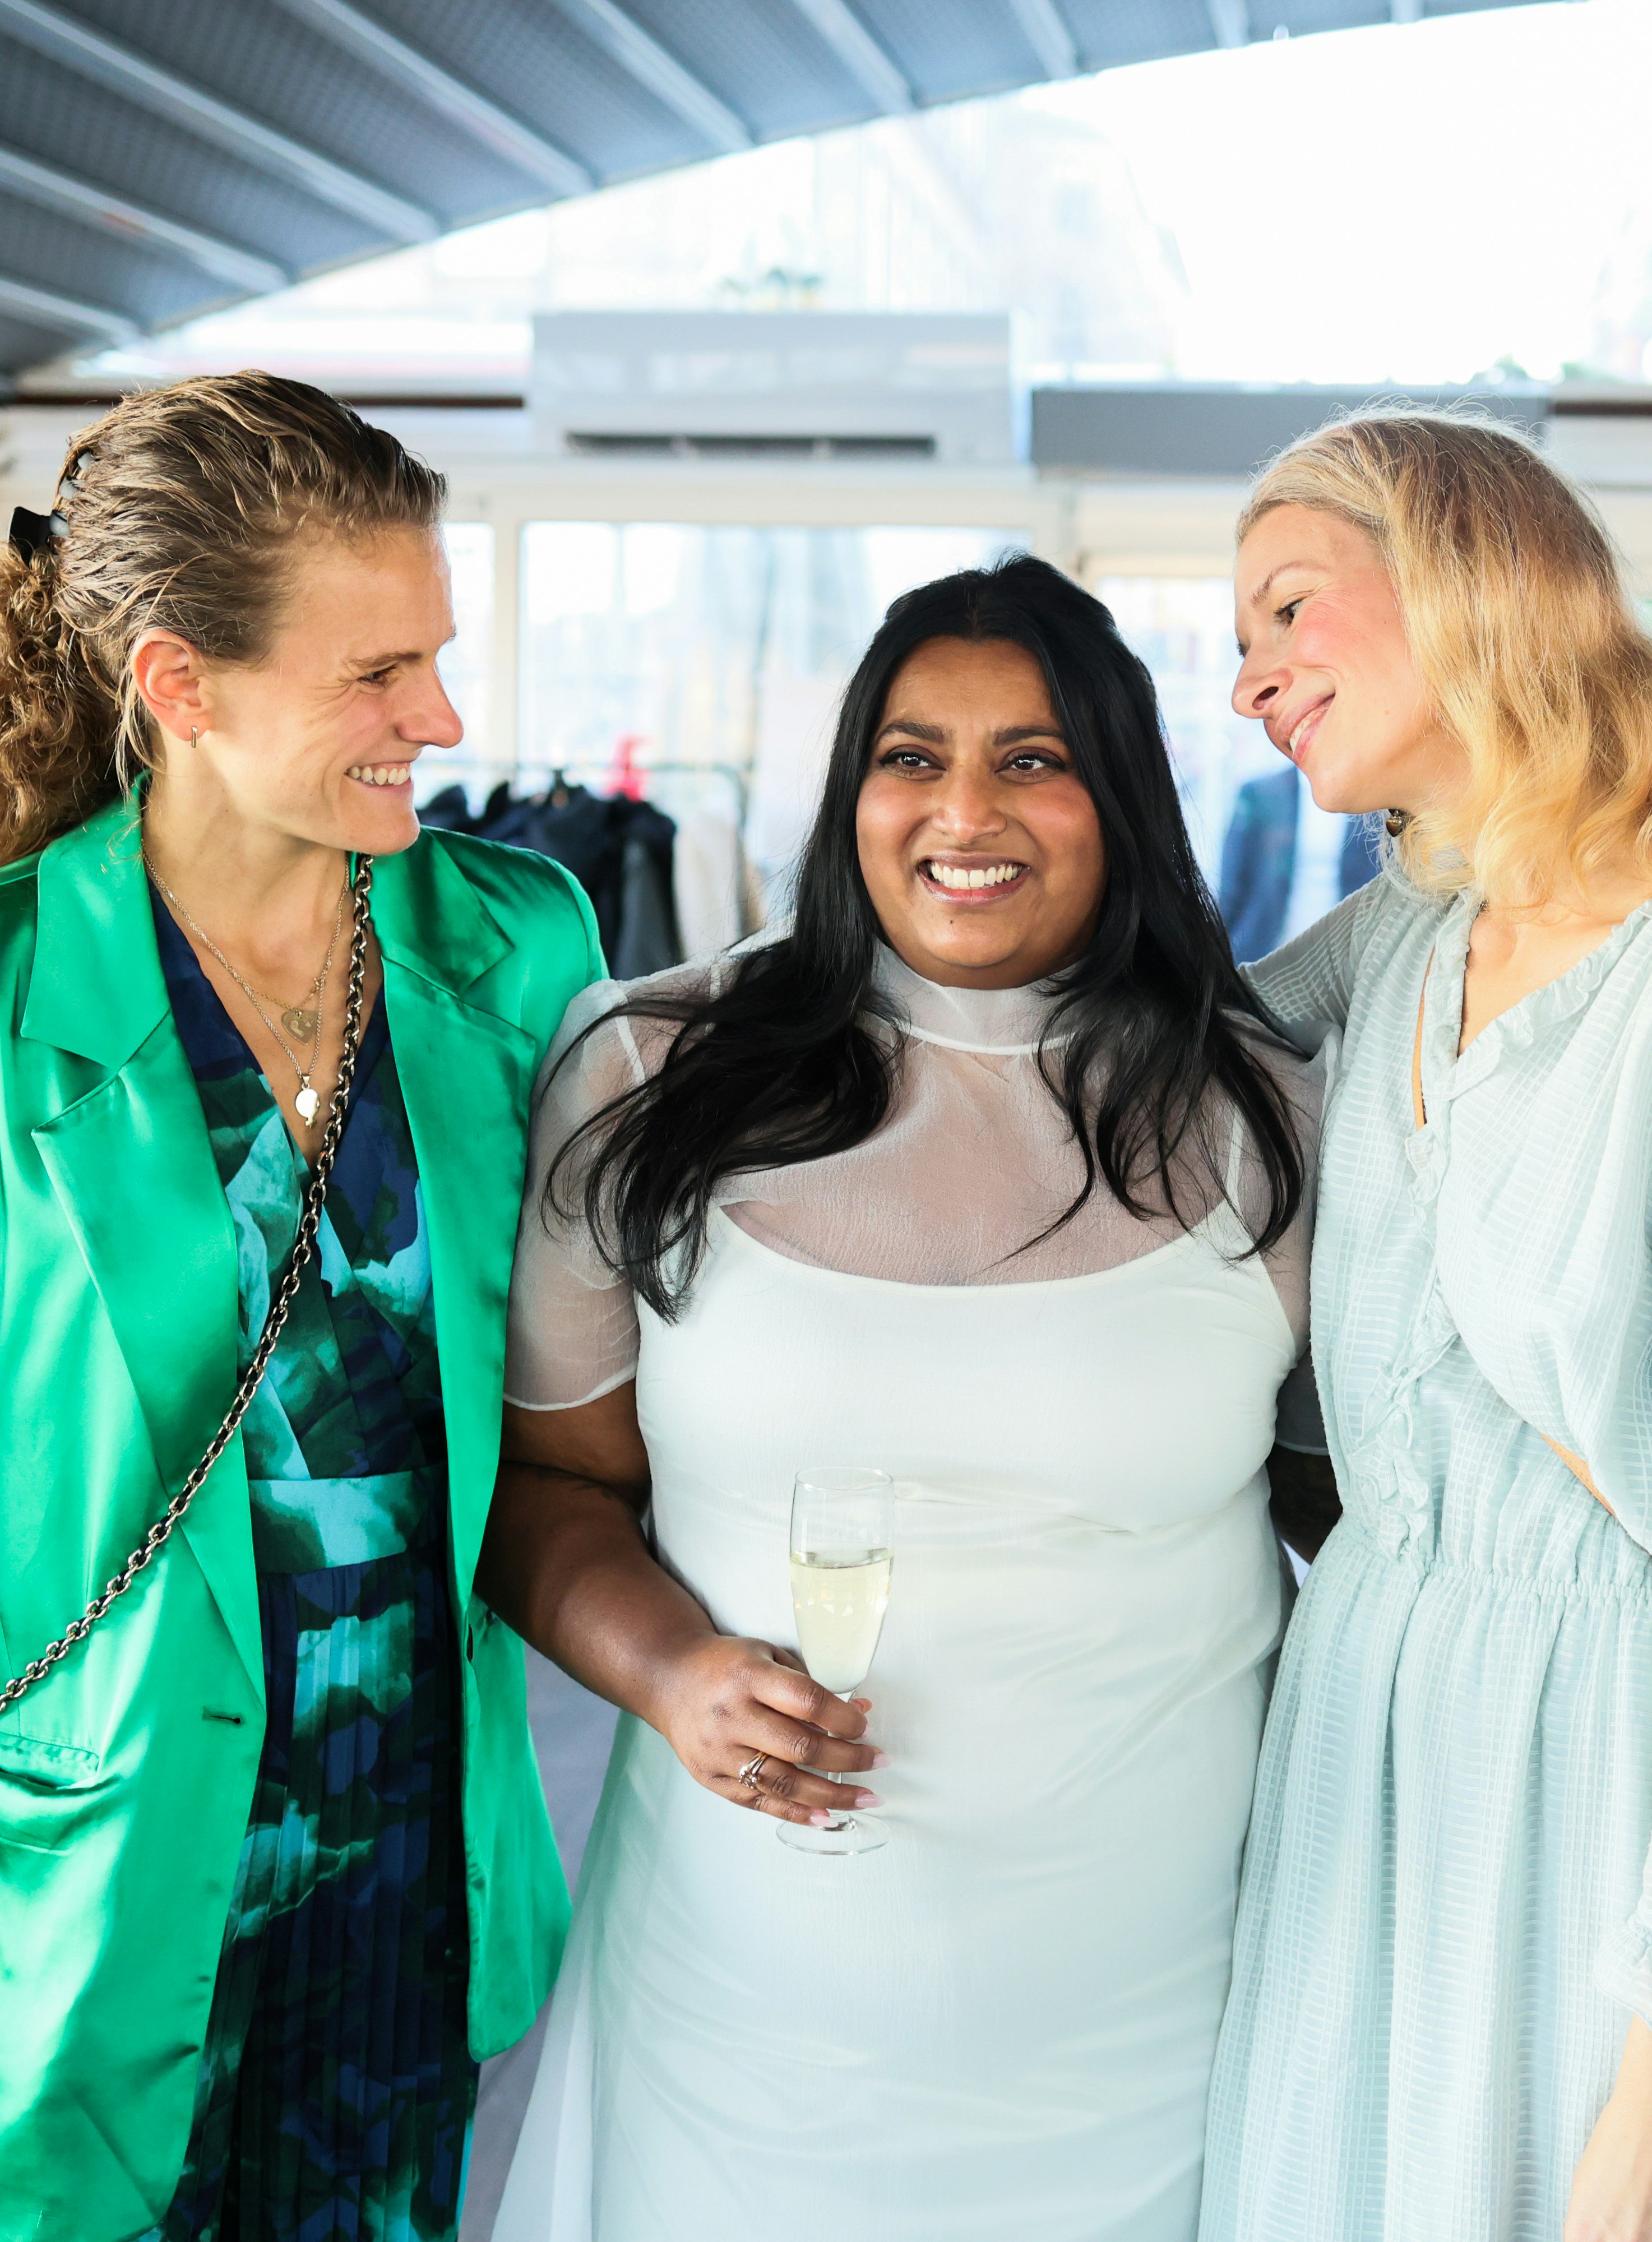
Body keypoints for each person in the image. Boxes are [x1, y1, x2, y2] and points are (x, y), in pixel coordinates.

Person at [0, 372, 601, 2242]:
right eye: (378, 674)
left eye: (439, 657)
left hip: (417, 1874)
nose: (444, 719)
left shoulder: (518, 941)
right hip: (92, 1889)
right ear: (181, 685)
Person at [483, 555, 1328, 2242]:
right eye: (911, 754)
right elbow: (541, 1491)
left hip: (1154, 2018)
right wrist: (673, 1674)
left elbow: (1372, 1517)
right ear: (851, 790)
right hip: (740, 2014)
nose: (966, 809)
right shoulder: (654, 1067)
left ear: (1124, 798)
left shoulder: (1269, 1115)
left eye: (1034, 758)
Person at [1204, 413, 1652, 2242]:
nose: (1250, 680)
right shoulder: (1410, 934)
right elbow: (1119, 1050)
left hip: (1614, 1783)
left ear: (1465, 582)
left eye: (1287, 609)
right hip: (1367, 1739)